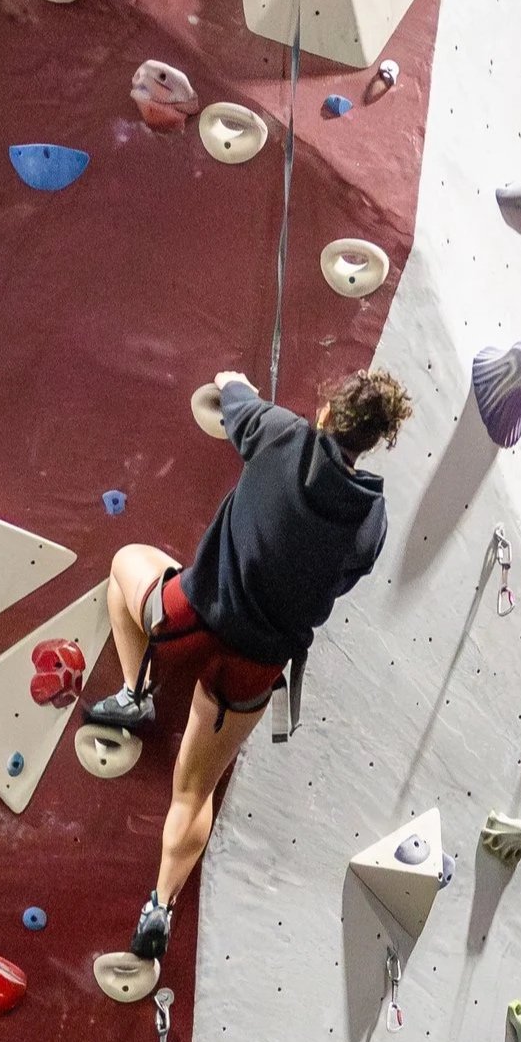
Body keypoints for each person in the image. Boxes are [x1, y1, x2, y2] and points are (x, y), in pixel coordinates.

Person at [81, 366, 414, 960]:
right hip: (254, 665)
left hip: (189, 620)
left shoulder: (278, 432)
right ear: (374, 441)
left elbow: (233, 392)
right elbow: (340, 581)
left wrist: (234, 381)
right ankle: (160, 904)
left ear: (327, 415)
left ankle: (136, 692)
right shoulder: (371, 521)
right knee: (194, 791)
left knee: (127, 562)